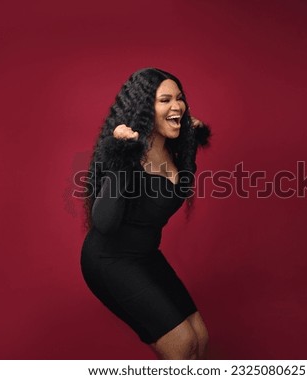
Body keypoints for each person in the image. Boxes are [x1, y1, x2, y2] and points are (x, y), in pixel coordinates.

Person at [80, 68, 212, 360]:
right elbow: (104, 223)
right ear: (144, 108)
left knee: (199, 338)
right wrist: (122, 155)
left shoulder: (175, 149)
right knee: (181, 343)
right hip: (109, 260)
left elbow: (181, 180)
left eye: (180, 98)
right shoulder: (127, 154)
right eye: (165, 100)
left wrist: (192, 135)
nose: (177, 106)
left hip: (146, 255)